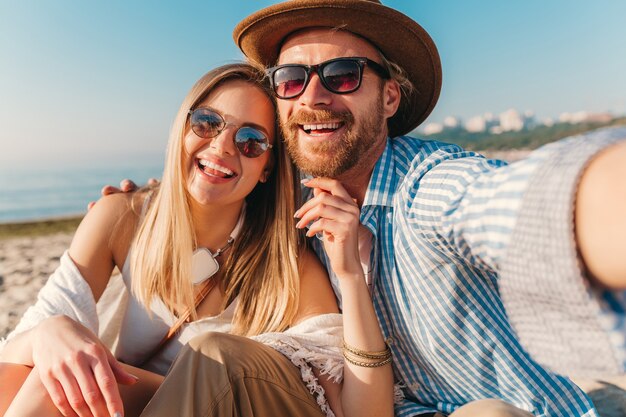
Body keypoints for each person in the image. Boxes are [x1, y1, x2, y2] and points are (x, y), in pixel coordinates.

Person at [91, 1, 626, 416]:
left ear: (389, 98)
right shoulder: (285, 201)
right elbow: (214, 184)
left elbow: (519, 205)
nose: (314, 97)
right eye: (291, 80)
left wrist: (600, 198)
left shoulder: (428, 189)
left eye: (343, 75)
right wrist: (152, 201)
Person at [0, 62, 395, 417]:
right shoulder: (121, 217)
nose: (222, 147)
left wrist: (349, 274)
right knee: (15, 383)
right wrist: (51, 331)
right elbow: (16, 354)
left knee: (54, 390)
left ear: (266, 168)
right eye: (207, 123)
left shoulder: (283, 265)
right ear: (181, 129)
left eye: (250, 141)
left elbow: (359, 411)